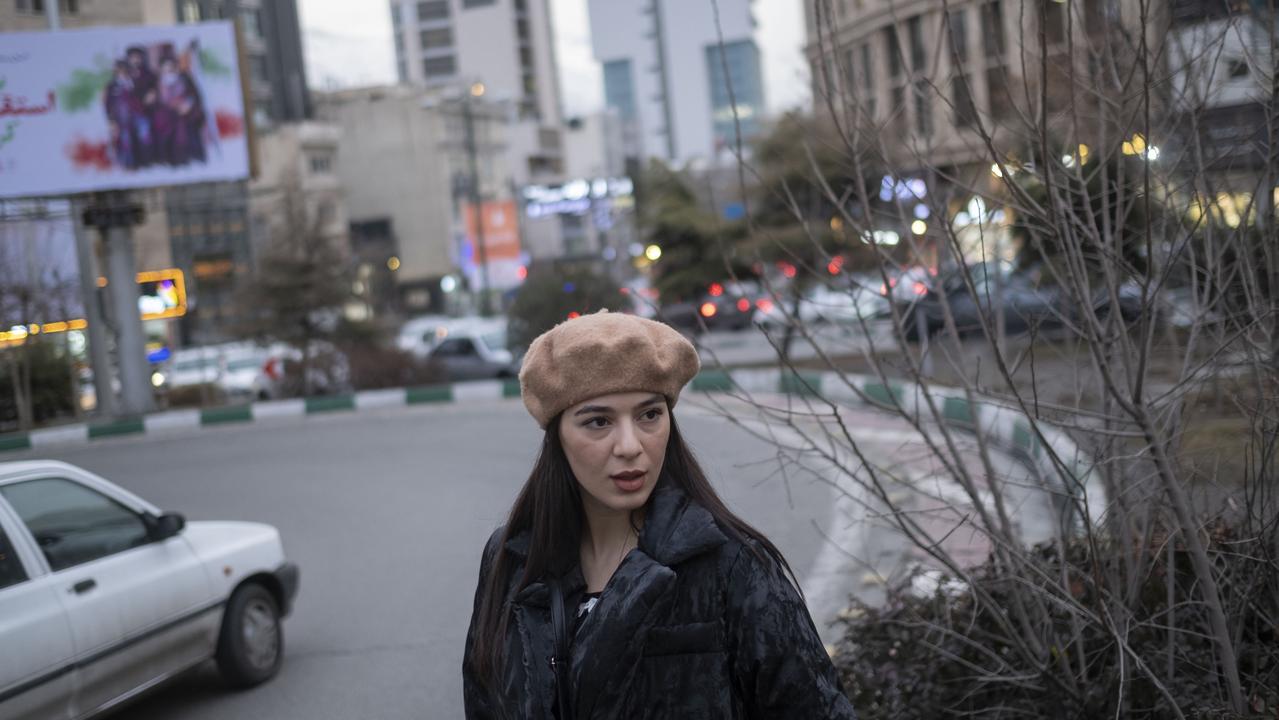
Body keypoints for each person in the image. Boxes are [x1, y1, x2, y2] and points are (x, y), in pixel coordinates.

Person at [462, 310, 857, 719]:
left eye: (649, 415)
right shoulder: (511, 559)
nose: (630, 445)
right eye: (598, 421)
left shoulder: (733, 567)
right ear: (557, 437)